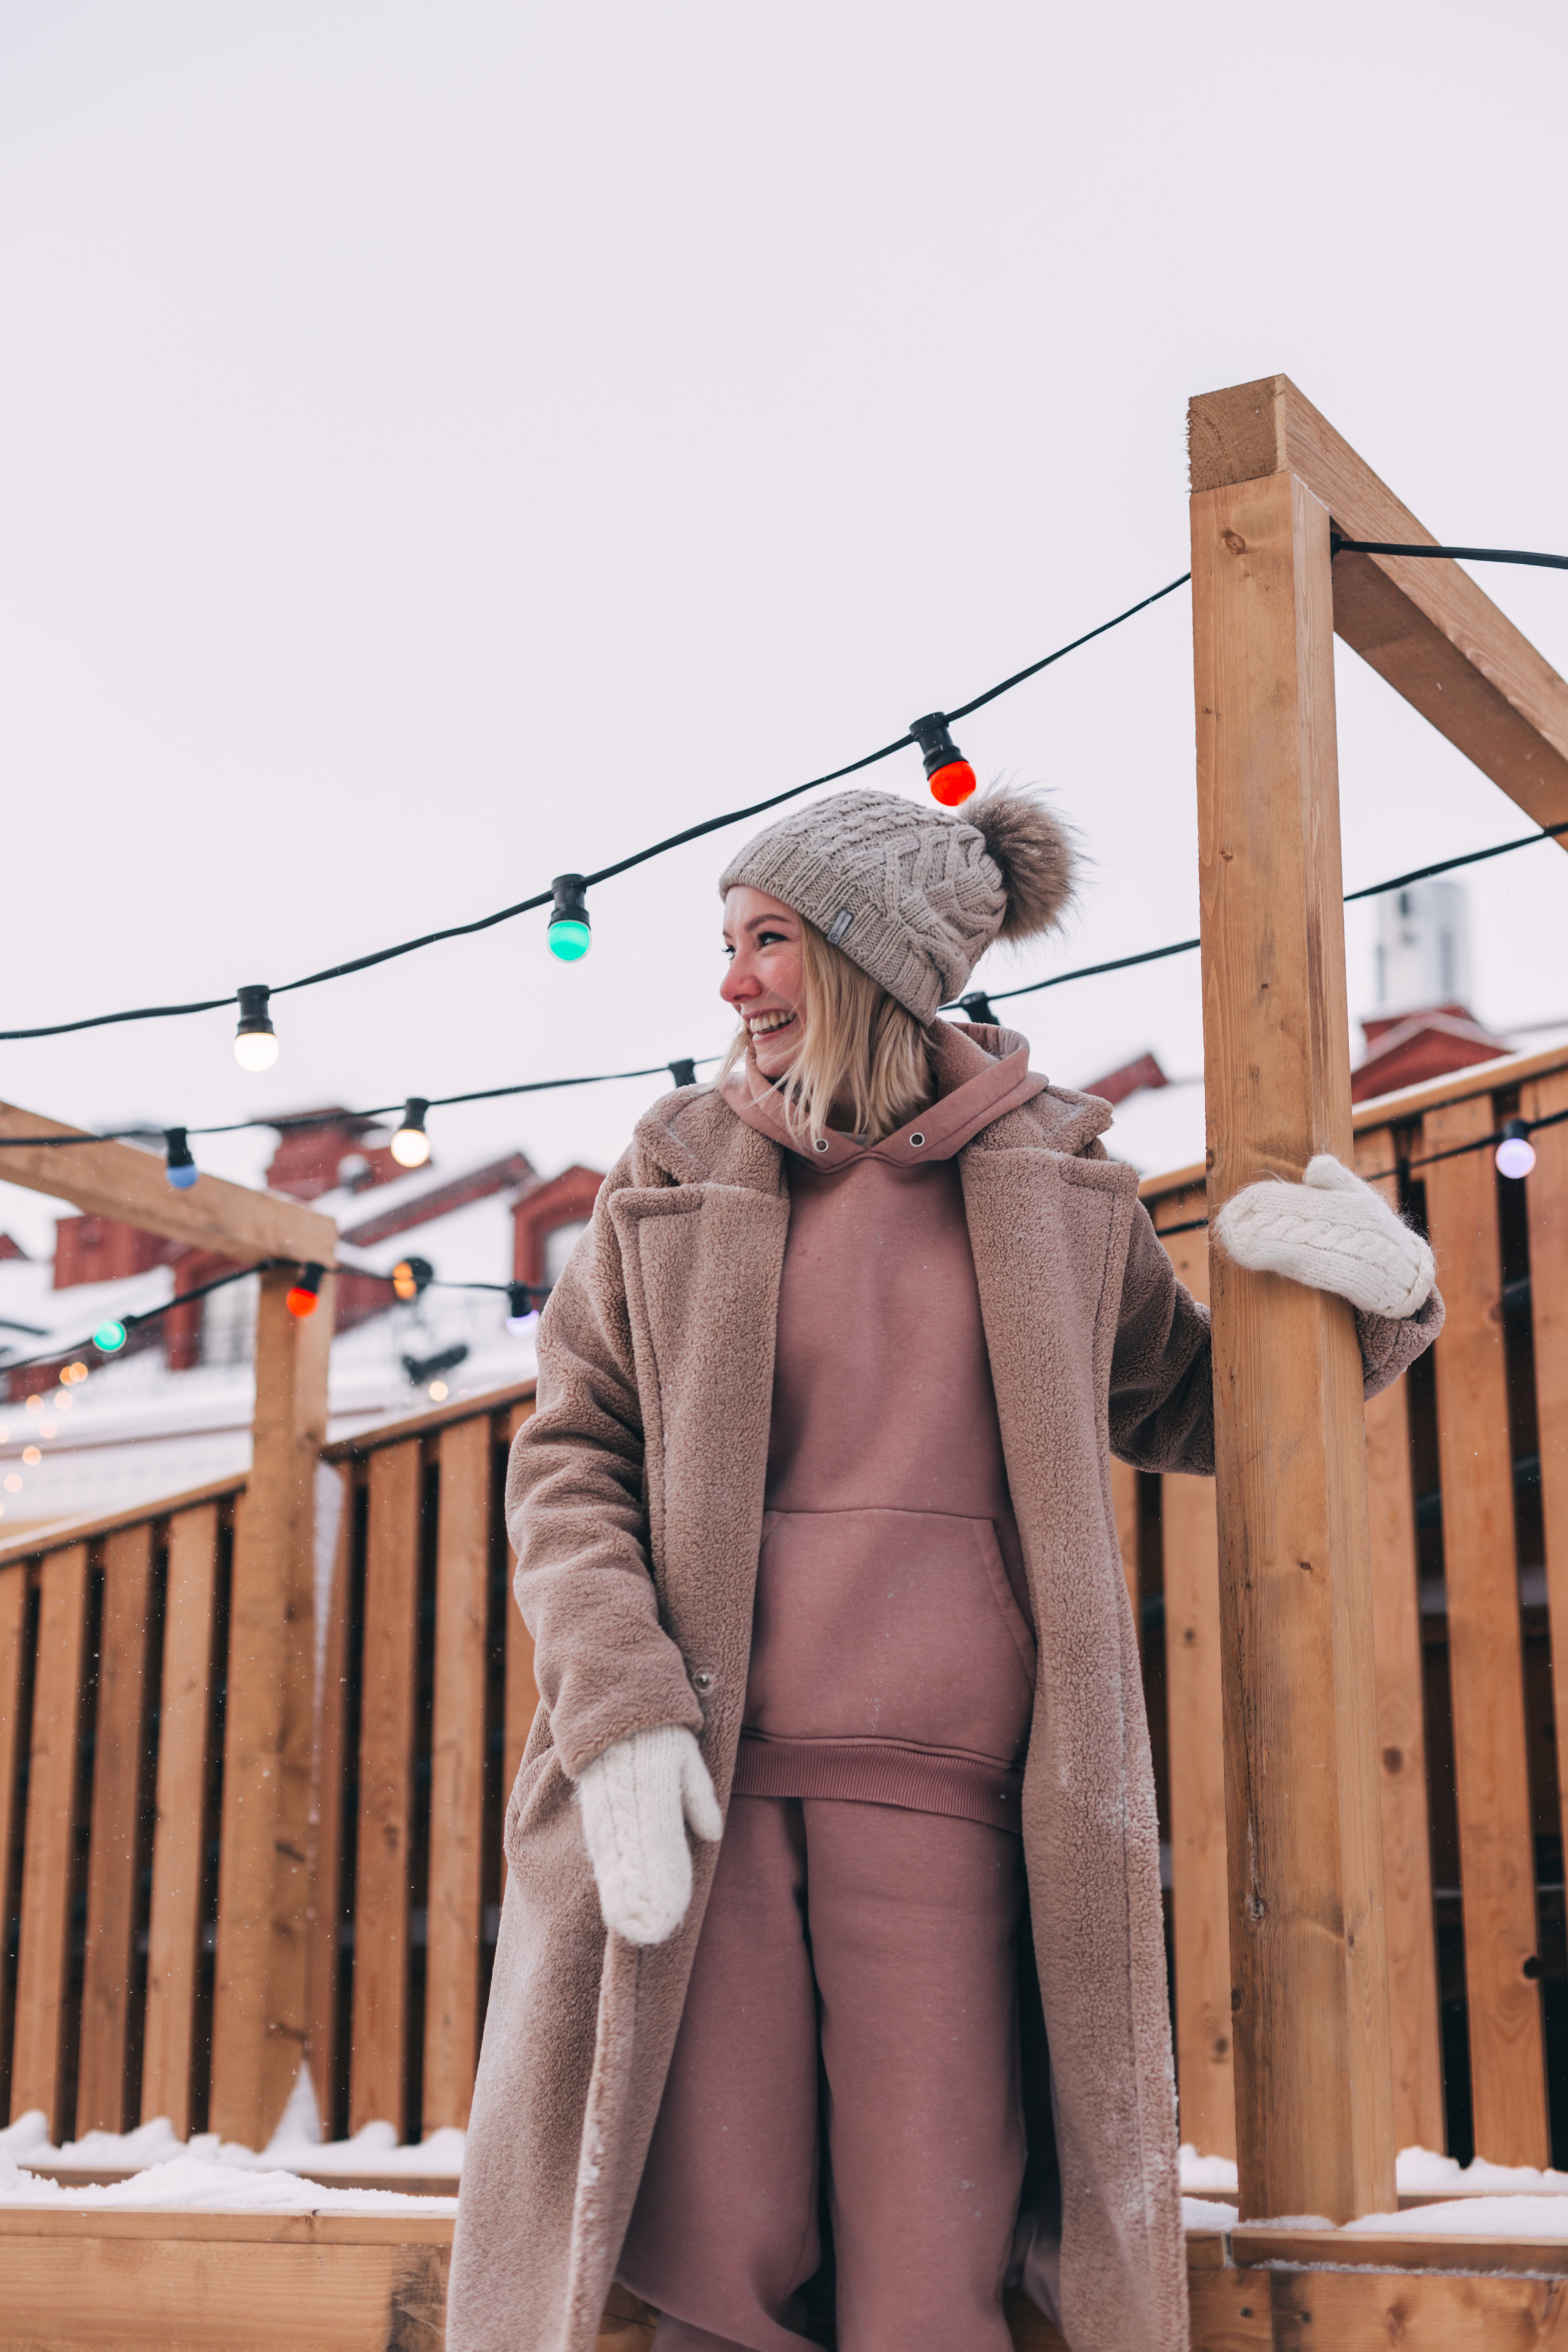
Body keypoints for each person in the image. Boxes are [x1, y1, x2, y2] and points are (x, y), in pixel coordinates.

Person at [447, 786, 1443, 2352]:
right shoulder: (671, 1172)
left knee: (935, 2261)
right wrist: (619, 1711)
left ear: (866, 954)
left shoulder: (1055, 1183)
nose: (730, 983)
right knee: (721, 2251)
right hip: (702, 1784)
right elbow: (570, 1457)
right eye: (725, 944)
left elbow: (1189, 1411)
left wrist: (1365, 1311)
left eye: (764, 941)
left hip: (965, 1799)